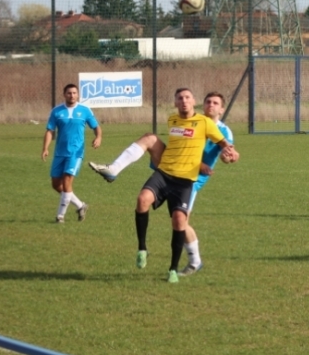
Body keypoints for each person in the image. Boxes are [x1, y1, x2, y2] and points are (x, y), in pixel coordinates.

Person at [89, 88, 237, 284]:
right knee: (150, 138)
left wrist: (228, 157)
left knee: (181, 223)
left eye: (215, 103)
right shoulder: (188, 119)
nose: (210, 105)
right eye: (208, 102)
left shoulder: (223, 130)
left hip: (193, 178)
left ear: (222, 109)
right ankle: (114, 169)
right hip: (172, 167)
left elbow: (227, 154)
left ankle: (194, 261)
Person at [41, 83, 102, 223]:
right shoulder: (56, 111)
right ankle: (81, 205)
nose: (72, 95)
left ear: (78, 94)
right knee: (56, 184)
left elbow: (96, 127)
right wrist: (45, 148)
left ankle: (60, 216)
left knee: (67, 181)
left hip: (75, 153)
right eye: (69, 93)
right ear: (64, 94)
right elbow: (50, 130)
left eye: (74, 93)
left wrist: (98, 137)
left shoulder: (85, 110)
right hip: (59, 153)